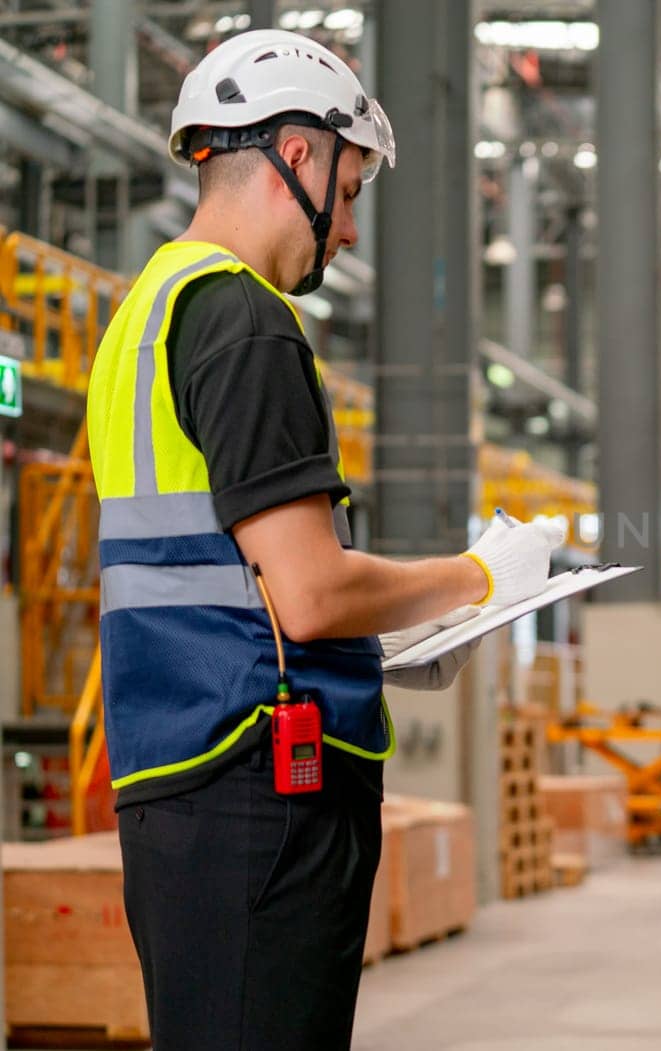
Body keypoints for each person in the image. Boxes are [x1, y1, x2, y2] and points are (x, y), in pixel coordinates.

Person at [85, 29, 560, 1050]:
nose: (345, 230)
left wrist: (374, 642)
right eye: (348, 190)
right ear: (296, 155)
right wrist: (477, 575)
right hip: (260, 785)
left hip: (184, 774)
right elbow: (307, 593)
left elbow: (225, 576)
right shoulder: (243, 320)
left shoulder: (145, 316)